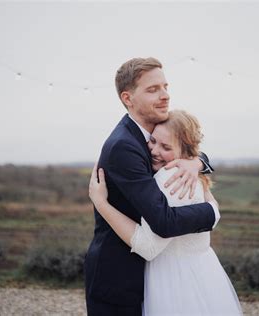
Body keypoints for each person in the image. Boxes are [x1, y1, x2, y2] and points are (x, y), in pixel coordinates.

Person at [84, 57, 220, 316]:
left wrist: (197, 163)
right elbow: (164, 222)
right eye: (153, 89)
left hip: (150, 274)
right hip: (118, 276)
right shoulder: (124, 146)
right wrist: (212, 212)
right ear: (128, 98)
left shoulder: (154, 133)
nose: (165, 95)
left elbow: (187, 145)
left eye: (165, 86)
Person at [89, 110, 243, 316]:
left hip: (176, 281)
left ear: (185, 152)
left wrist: (101, 203)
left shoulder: (172, 180)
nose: (154, 150)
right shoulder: (188, 170)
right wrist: (198, 163)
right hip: (198, 272)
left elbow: (148, 247)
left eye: (166, 147)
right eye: (153, 141)